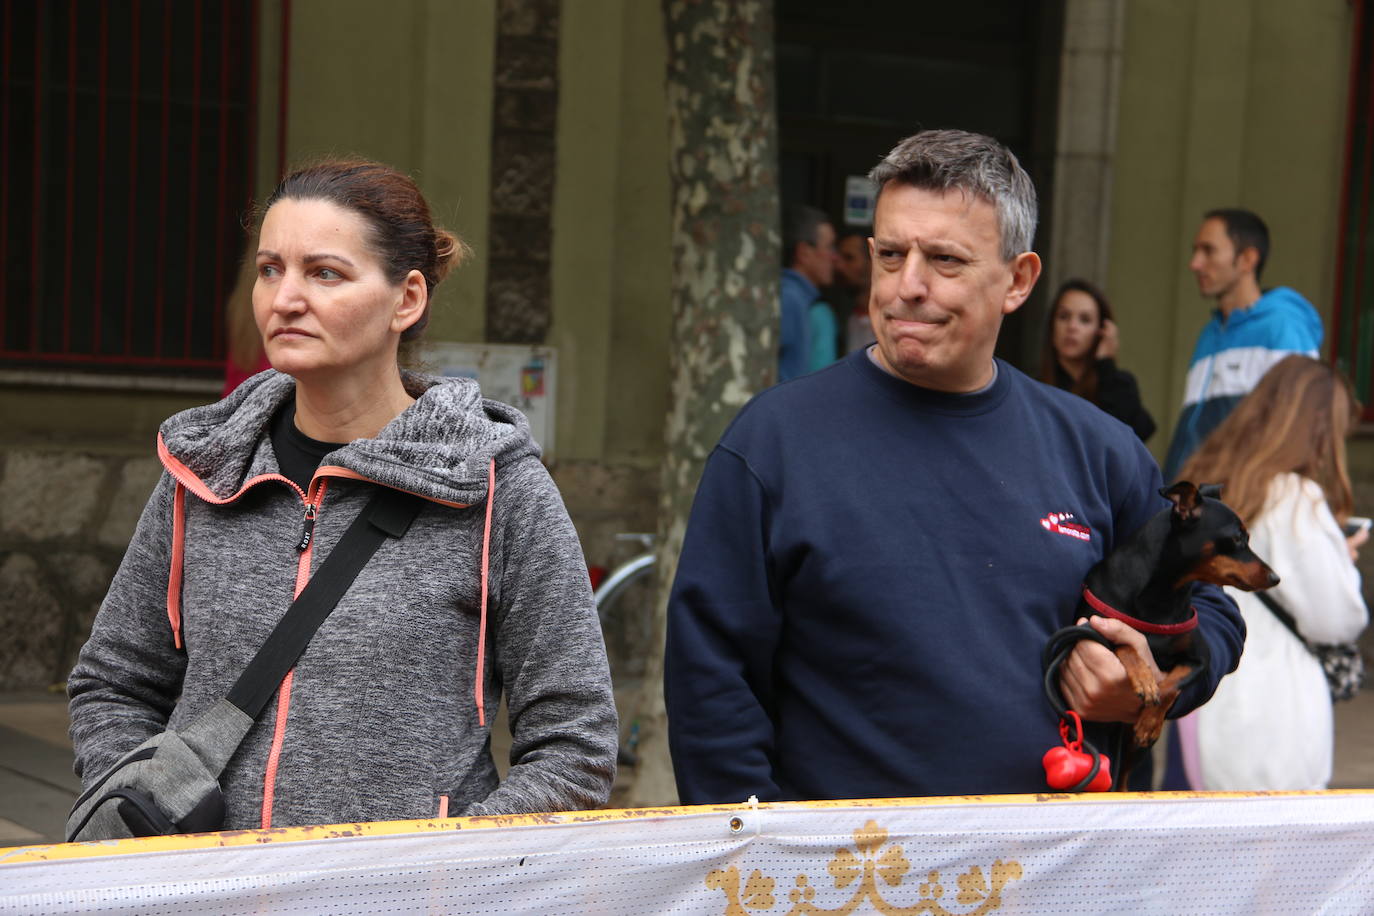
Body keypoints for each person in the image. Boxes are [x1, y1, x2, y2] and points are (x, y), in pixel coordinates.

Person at [664, 129, 1244, 803]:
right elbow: (712, 685)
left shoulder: (1097, 449)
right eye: (890, 254)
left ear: (1018, 281)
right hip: (843, 887)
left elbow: (1212, 604)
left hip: (1062, 878)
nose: (908, 286)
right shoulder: (773, 444)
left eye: (944, 260)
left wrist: (1154, 679)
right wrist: (755, 862)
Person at [68, 158, 618, 829]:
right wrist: (152, 825)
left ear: (407, 299)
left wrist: (444, 872)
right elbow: (113, 683)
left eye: (324, 272)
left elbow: (574, 746)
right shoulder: (205, 470)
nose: (285, 298)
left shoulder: (496, 484)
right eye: (271, 269)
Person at [1175, 356, 1368, 790]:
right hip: (1273, 716)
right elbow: (1337, 619)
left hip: (1208, 704)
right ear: (1316, 429)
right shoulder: (1296, 498)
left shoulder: (1210, 490)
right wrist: (1343, 565)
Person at [1161, 208, 1323, 480]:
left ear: (1247, 259)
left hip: (1242, 508)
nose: (1195, 263)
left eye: (1208, 251)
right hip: (1197, 506)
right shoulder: (1209, 335)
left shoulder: (1283, 327)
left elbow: (1300, 432)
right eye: (1195, 251)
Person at [1038, 278, 1155, 441]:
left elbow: (1119, 442)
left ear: (1102, 331)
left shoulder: (1118, 385)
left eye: (1084, 320)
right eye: (1064, 316)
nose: (1072, 327)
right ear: (1052, 325)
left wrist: (1106, 364)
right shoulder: (1033, 388)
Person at [779, 203, 839, 380]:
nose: (835, 257)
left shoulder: (795, 296)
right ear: (804, 252)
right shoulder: (790, 298)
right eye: (829, 247)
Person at [836, 231, 876, 353]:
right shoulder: (851, 321)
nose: (839, 267)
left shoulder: (891, 323)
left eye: (849, 258)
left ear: (872, 262)